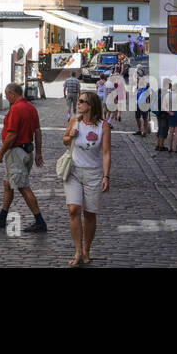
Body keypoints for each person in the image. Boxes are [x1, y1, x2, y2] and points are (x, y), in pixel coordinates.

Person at [0, 82, 46, 232]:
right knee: (8, 184)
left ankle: (40, 221)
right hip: (27, 151)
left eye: (7, 95)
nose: (7, 98)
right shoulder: (31, 107)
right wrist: (38, 152)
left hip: (16, 152)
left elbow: (12, 134)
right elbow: (37, 131)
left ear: (13, 94)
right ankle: (2, 216)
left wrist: (0, 153)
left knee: (22, 186)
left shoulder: (16, 109)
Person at [62, 90, 110, 266]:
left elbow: (105, 153)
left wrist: (106, 176)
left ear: (91, 106)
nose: (79, 104)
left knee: (89, 214)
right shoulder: (74, 120)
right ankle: (77, 252)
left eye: (82, 101)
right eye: (79, 101)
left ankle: (86, 251)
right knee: (73, 209)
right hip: (73, 171)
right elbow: (64, 140)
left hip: (93, 174)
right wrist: (70, 137)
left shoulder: (103, 126)